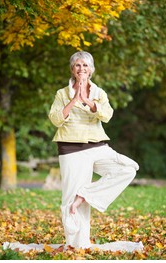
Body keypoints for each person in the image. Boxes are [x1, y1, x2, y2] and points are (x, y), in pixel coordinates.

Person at [48, 51, 139, 249]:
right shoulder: (62, 94)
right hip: (71, 148)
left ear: (92, 70)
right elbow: (55, 119)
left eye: (85, 65)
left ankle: (85, 195)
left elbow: (107, 115)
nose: (82, 69)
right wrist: (74, 100)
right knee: (69, 199)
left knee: (128, 169)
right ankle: (76, 245)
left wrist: (88, 101)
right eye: (78, 65)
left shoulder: (99, 93)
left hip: (97, 146)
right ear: (72, 69)